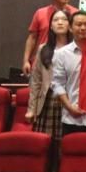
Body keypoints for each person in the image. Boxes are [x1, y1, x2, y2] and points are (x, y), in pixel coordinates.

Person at [25, 10, 71, 142]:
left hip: (69, 101)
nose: (60, 22)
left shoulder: (76, 48)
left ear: (70, 25)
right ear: (51, 26)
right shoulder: (43, 49)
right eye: (56, 20)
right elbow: (36, 81)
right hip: (48, 100)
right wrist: (31, 109)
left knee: (66, 143)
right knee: (45, 144)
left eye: (64, 19)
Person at [22, 0, 77, 74]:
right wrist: (26, 61)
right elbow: (32, 38)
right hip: (43, 62)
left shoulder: (76, 14)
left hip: (68, 63)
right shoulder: (40, 13)